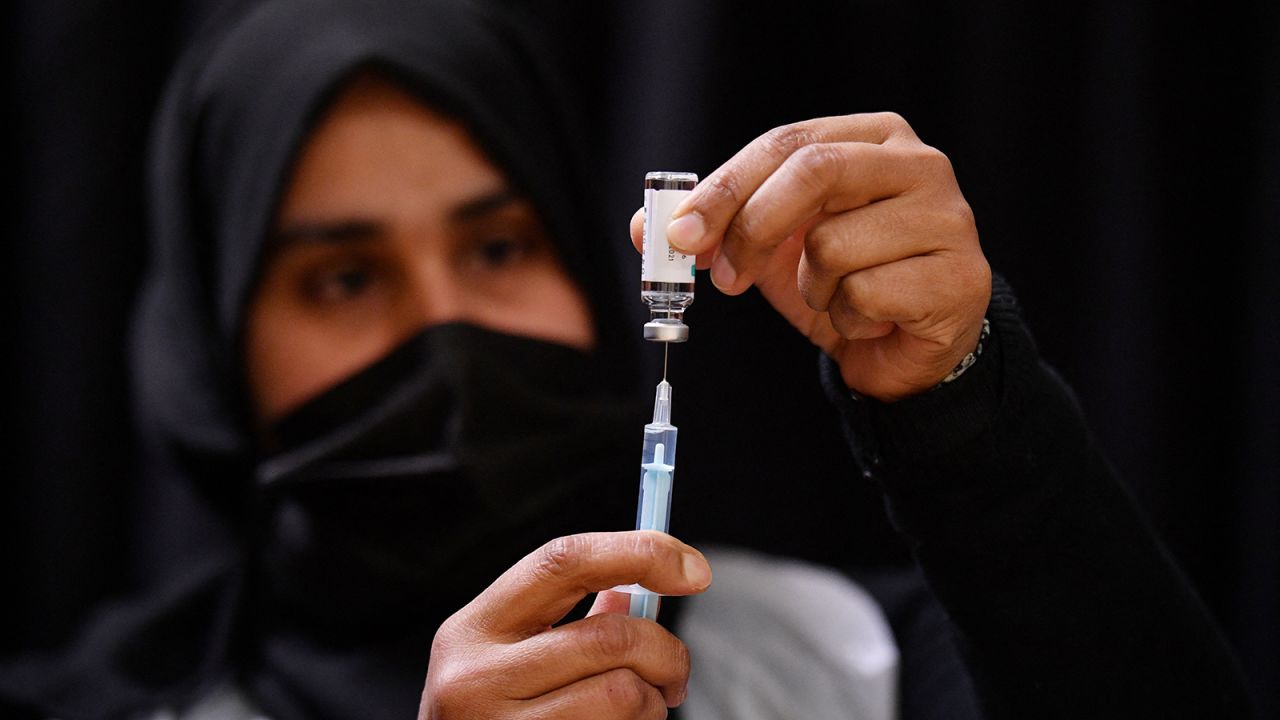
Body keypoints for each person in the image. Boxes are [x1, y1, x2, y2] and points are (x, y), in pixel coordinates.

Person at [0, 0, 1252, 718]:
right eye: (342, 277)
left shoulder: (854, 662)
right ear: (216, 355)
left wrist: (971, 404)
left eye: (496, 247)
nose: (445, 333)